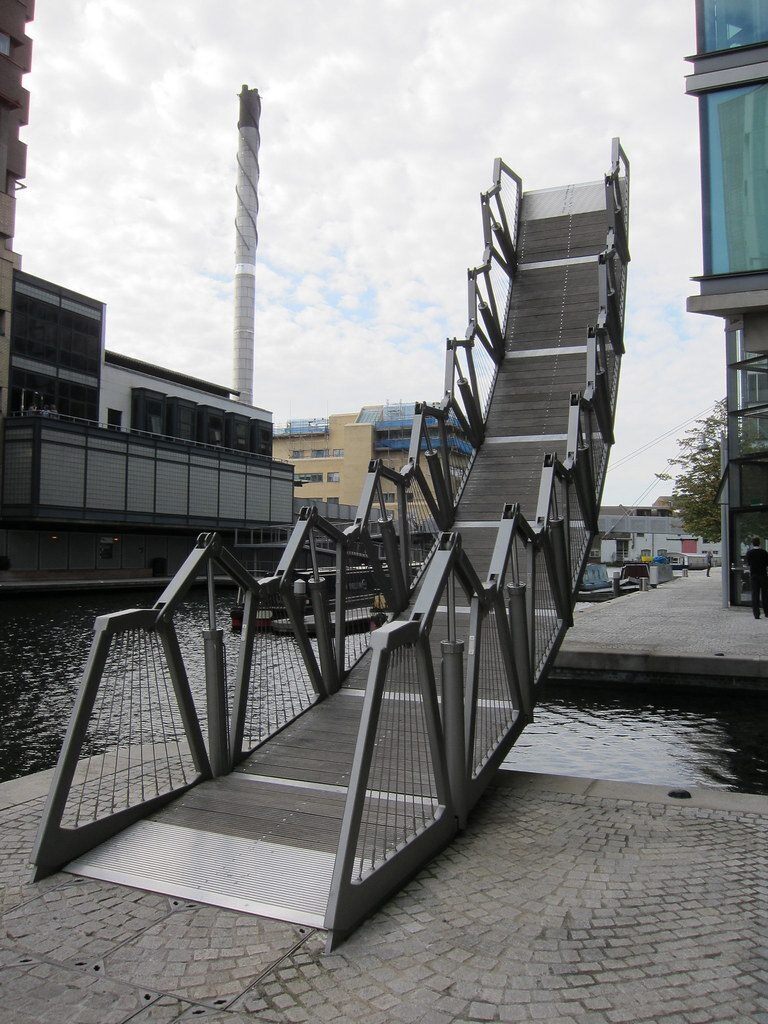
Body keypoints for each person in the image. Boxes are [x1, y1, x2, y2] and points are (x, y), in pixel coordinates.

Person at [744, 537, 768, 619]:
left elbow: (748, 563)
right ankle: (766, 612)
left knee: (755, 595)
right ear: (759, 543)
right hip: (763, 575)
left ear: (752, 543)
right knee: (765, 594)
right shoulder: (764, 552)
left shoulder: (749, 553)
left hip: (754, 575)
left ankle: (756, 614)